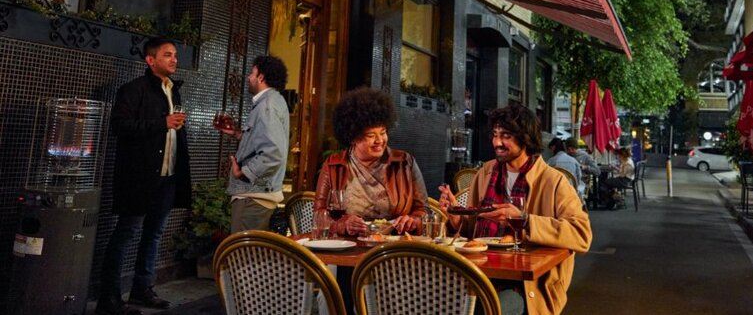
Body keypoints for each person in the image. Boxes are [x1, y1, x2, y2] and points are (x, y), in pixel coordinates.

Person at [438, 104, 591, 315]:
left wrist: (524, 220)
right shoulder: (486, 172)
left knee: (488, 309)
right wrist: (456, 220)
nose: (497, 142)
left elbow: (582, 234)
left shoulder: (553, 181)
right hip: (478, 272)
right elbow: (470, 231)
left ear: (525, 138)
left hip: (526, 285)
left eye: (506, 136)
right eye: (494, 134)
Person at [98, 38, 191, 315]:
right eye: (167, 55)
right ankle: (109, 297)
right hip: (140, 177)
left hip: (167, 177)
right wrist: (161, 123)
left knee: (154, 234)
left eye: (175, 55)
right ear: (151, 60)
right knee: (126, 233)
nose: (174, 59)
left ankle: (142, 288)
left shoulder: (174, 91)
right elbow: (119, 125)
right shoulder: (133, 90)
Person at [315, 87, 428, 236]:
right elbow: (319, 215)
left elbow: (423, 211)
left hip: (393, 245)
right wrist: (342, 225)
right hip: (347, 244)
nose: (380, 140)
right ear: (353, 137)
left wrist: (413, 220)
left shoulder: (405, 163)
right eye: (371, 135)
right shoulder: (333, 165)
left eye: (383, 132)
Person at [219, 55, 290, 232]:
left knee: (243, 258)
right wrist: (237, 134)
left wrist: (243, 173)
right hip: (257, 199)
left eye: (252, 73)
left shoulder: (267, 106)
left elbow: (273, 153)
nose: (248, 78)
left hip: (253, 199)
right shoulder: (275, 101)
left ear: (261, 77)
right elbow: (265, 141)